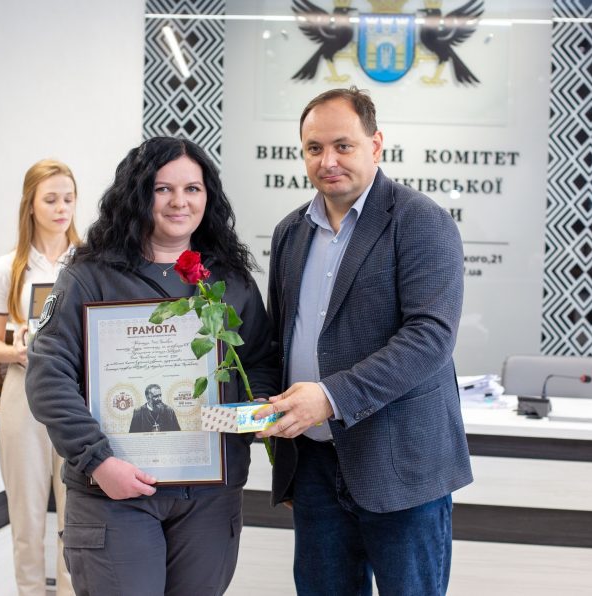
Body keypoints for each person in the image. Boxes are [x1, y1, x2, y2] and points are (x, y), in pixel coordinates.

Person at [25, 137, 279, 596]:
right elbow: (47, 377)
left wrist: (253, 409)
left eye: (192, 189)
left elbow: (259, 360)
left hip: (208, 494)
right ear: (137, 194)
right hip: (112, 493)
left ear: (209, 197)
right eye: (163, 189)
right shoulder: (88, 277)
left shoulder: (230, 280)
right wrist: (98, 461)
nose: (180, 201)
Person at [255, 87, 473, 596]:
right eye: (314, 148)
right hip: (313, 464)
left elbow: (429, 338)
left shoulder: (420, 221)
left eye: (343, 145)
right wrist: (260, 402)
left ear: (375, 145)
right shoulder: (290, 232)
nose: (327, 161)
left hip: (400, 465)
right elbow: (280, 338)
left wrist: (329, 397)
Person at [0, 159, 79, 596]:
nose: (62, 208)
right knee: (25, 517)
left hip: (76, 395)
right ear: (30, 205)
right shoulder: (9, 268)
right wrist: (17, 352)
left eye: (69, 199)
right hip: (22, 395)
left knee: (76, 517)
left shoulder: (89, 262)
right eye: (51, 199)